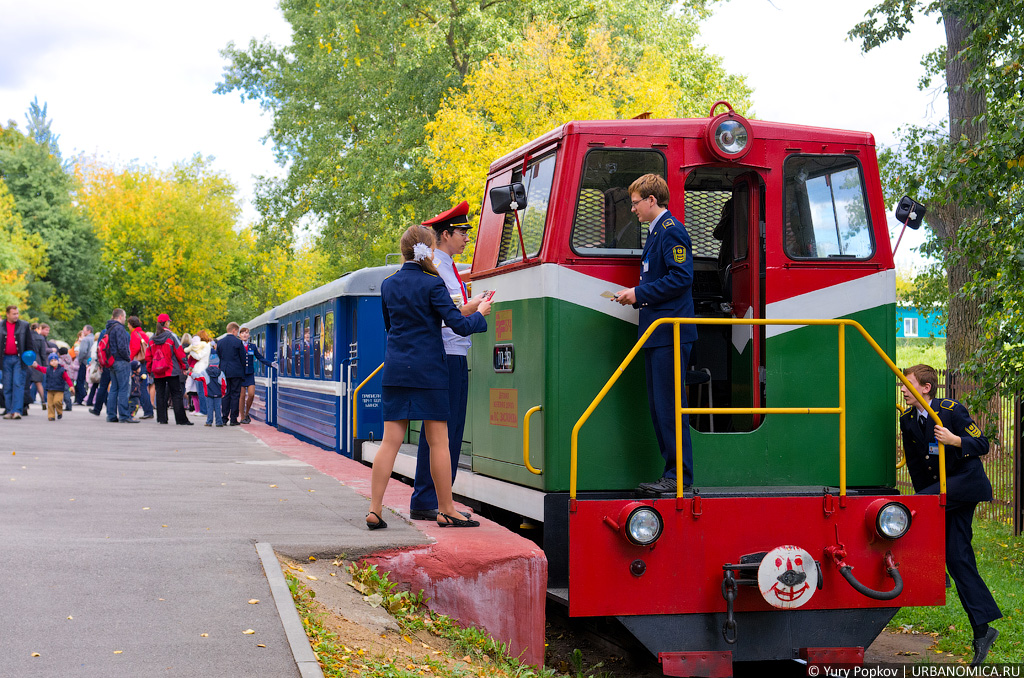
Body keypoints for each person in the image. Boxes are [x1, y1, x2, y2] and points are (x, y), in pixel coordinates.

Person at [366, 225, 491, 530]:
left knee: (390, 441)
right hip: (429, 372)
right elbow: (458, 325)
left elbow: (390, 326)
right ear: (429, 250)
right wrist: (480, 313)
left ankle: (374, 510)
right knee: (439, 442)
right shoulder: (433, 284)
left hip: (395, 370)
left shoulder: (388, 284)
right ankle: (446, 509)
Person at [899, 365, 1002, 665]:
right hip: (941, 491)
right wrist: (925, 501)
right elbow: (918, 468)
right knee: (957, 556)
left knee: (909, 510)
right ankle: (982, 630)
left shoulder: (951, 410)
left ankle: (933, 570)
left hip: (965, 485)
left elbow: (981, 444)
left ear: (926, 388)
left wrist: (954, 440)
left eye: (908, 384)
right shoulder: (908, 420)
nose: (903, 389)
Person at [614, 173, 695, 495]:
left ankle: (680, 477)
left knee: (669, 407)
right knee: (660, 407)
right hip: (659, 333)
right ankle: (672, 472)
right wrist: (637, 294)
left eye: (636, 203)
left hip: (670, 332)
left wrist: (638, 294)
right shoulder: (656, 233)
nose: (633, 209)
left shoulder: (671, 232)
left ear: (651, 200)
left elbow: (681, 278)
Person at [409, 201, 491, 520]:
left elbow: (449, 311)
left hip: (453, 354)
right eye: (462, 232)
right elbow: (443, 317)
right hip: (446, 355)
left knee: (448, 432)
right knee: (442, 433)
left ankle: (438, 499)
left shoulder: (445, 267)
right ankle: (430, 502)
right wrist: (476, 313)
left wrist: (470, 306)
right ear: (445, 235)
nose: (466, 238)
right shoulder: (438, 269)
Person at [148, 314, 192, 425]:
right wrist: (184, 366)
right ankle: (181, 420)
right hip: (171, 369)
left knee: (161, 393)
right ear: (167, 323)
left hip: (157, 370)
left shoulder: (152, 338)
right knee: (176, 394)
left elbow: (149, 356)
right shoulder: (172, 336)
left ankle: (162, 419)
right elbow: (179, 351)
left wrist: (149, 370)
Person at [104, 308, 137, 423]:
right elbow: (122, 347)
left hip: (111, 361)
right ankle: (124, 416)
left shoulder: (109, 328)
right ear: (120, 317)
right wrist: (128, 358)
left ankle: (111, 415)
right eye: (124, 317)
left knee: (113, 388)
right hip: (121, 361)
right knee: (123, 388)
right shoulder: (119, 328)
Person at [1, 305, 33, 420]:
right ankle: (9, 410)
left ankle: (17, 411)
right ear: (7, 314)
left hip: (19, 360)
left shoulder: (24, 325)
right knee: (7, 386)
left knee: (18, 384)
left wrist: (30, 358)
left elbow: (29, 343)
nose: (16, 316)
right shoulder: (1, 326)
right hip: (4, 359)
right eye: (14, 314)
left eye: (17, 313)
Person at [238, 326, 275, 424]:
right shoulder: (237, 345)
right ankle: (242, 417)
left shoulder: (252, 346)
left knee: (251, 394)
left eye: (246, 333)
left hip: (249, 374)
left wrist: (270, 364)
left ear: (249, 335)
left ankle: (246, 413)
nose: (245, 335)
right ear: (239, 335)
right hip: (240, 374)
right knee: (241, 396)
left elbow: (259, 357)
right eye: (242, 333)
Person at [218, 322, 246, 426]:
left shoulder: (220, 342)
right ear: (234, 330)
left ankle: (224, 418)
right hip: (236, 371)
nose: (237, 333)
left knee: (225, 394)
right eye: (237, 331)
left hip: (224, 371)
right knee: (235, 395)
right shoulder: (238, 342)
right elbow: (243, 358)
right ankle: (233, 419)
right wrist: (243, 371)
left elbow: (219, 356)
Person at [127, 316, 154, 419]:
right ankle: (148, 411)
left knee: (140, 387)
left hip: (138, 363)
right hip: (145, 362)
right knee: (143, 386)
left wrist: (130, 358)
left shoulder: (134, 334)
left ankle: (148, 411)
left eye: (128, 324)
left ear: (131, 324)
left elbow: (135, 348)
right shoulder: (143, 334)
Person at [42, 352, 73, 420]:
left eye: (55, 360)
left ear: (58, 361)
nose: (54, 362)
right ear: (49, 362)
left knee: (57, 402)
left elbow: (67, 378)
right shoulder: (48, 369)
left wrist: (71, 386)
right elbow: (41, 369)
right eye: (52, 361)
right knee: (50, 404)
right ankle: (51, 416)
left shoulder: (62, 370)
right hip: (50, 389)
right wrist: (35, 366)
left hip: (59, 390)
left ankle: (59, 412)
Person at [198, 361, 226, 427]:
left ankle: (209, 422)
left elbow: (199, 378)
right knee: (218, 408)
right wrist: (223, 393)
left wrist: (190, 373)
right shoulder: (221, 373)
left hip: (209, 393)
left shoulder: (205, 372)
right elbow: (223, 384)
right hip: (218, 393)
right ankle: (219, 422)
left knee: (209, 407)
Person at [73, 325, 94, 405]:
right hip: (91, 363)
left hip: (84, 362)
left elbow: (83, 352)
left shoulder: (85, 340)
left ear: (88, 331)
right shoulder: (94, 339)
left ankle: (82, 398)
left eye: (84, 330)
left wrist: (80, 360)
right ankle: (88, 398)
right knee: (89, 382)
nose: (83, 331)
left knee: (80, 381)